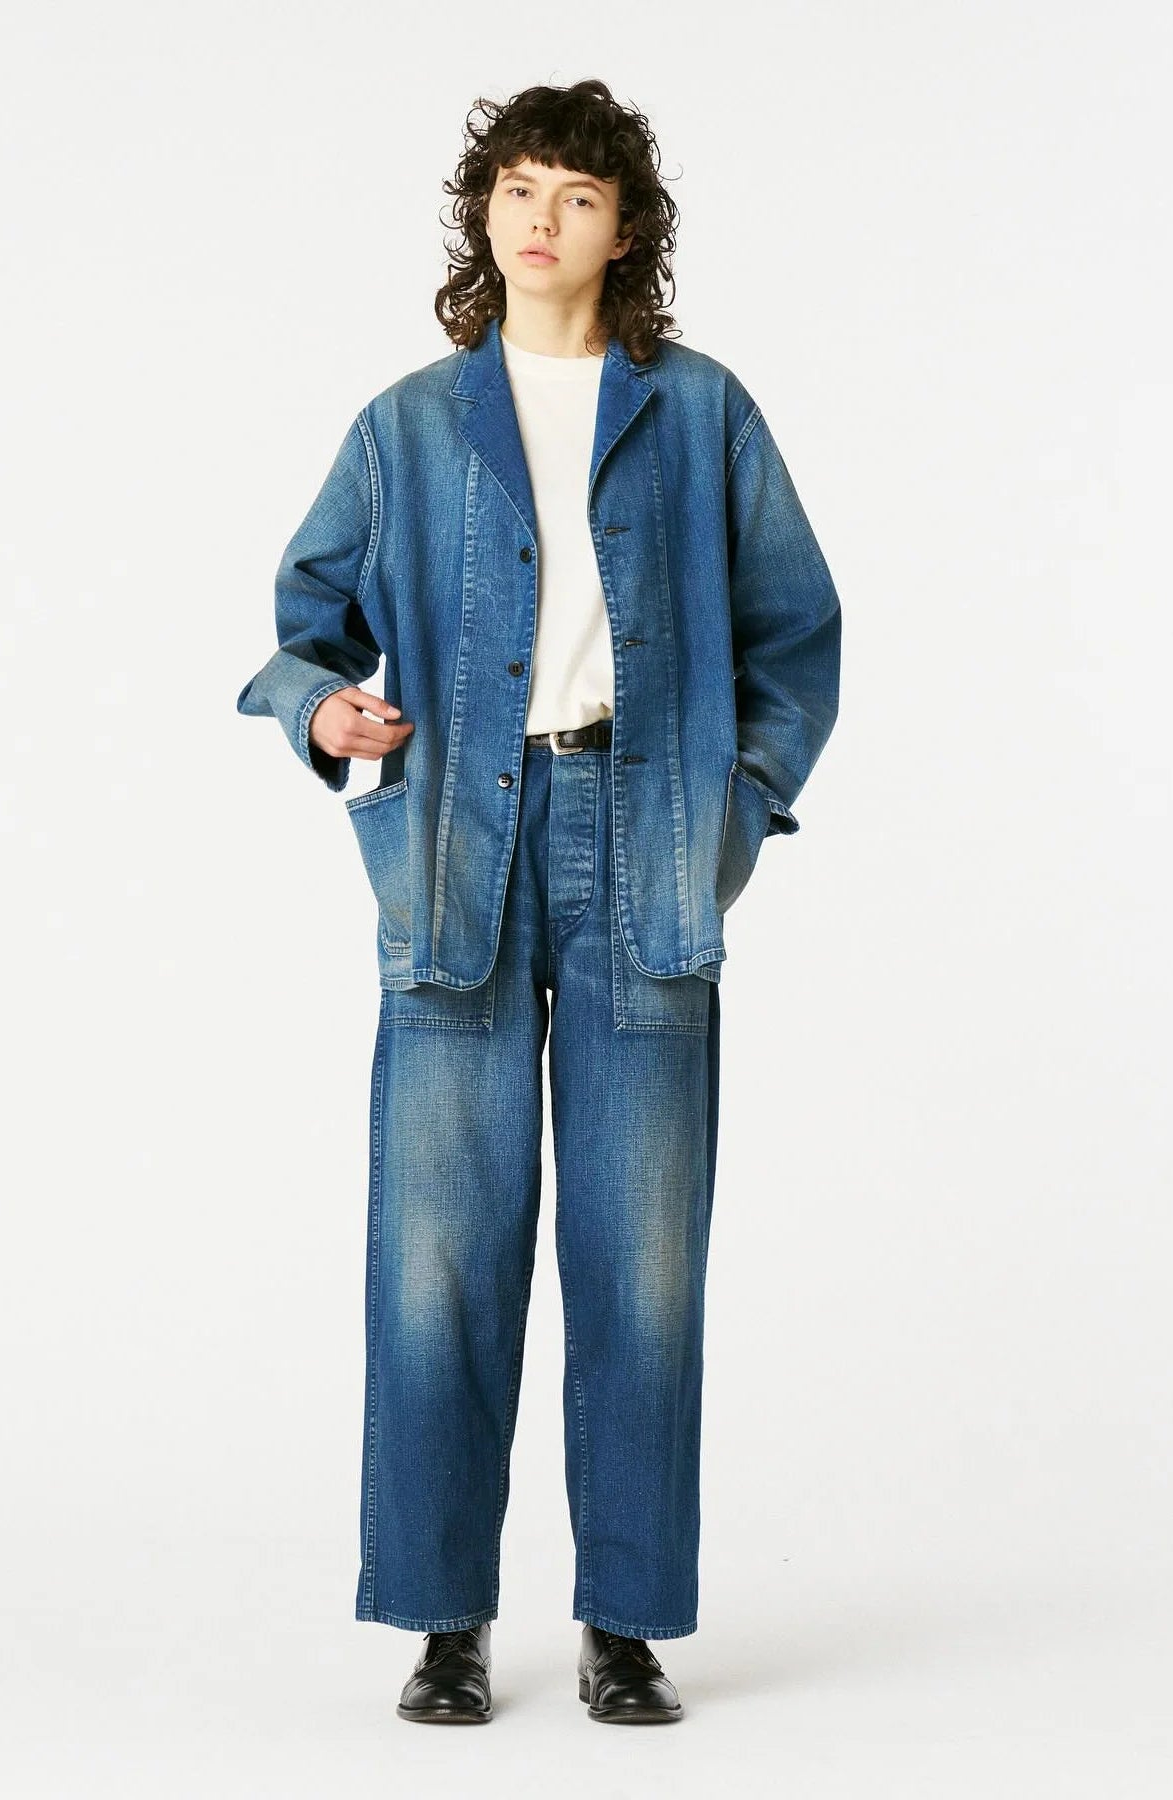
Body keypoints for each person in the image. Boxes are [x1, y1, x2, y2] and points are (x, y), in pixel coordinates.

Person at [235, 79, 842, 1725]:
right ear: (483, 215)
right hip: (459, 846)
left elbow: (797, 634)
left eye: (577, 193)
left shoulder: (700, 412)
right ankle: (445, 1621)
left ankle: (624, 1624)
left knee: (642, 1257)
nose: (541, 218)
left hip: (645, 842)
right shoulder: (410, 427)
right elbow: (303, 623)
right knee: (440, 1249)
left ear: (624, 229)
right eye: (517, 188)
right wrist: (324, 710)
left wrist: (734, 808)